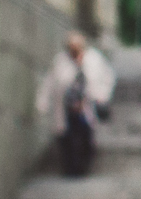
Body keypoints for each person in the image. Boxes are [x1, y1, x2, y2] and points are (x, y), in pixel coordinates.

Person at [38, 32, 115, 179]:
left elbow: (107, 77)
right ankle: (70, 169)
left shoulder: (93, 59)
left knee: (85, 137)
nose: (74, 51)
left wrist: (103, 96)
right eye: (71, 48)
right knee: (66, 139)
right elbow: (50, 82)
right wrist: (43, 102)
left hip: (86, 108)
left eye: (77, 47)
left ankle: (83, 167)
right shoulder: (61, 61)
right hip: (67, 109)